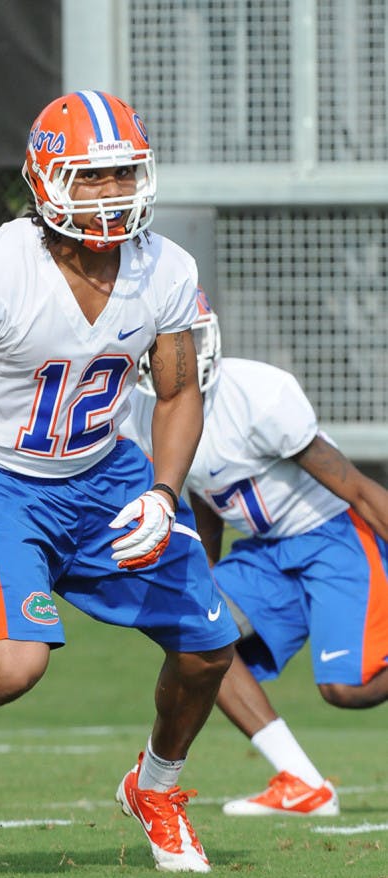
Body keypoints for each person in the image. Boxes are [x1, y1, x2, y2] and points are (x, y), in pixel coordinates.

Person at [0, 91, 239, 873]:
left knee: (208, 649)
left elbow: (178, 390)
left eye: (123, 173)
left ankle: (155, 788)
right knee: (15, 665)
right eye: (90, 178)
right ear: (45, 179)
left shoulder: (165, 267)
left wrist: (163, 493)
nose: (112, 193)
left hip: (106, 474)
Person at [121, 288, 388, 816]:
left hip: (335, 536)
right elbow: (199, 487)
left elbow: (356, 487)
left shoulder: (259, 394)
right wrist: (208, 571)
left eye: (185, 340)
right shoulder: (138, 410)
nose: (177, 356)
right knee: (197, 631)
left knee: (344, 689)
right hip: (267, 553)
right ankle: (302, 781)